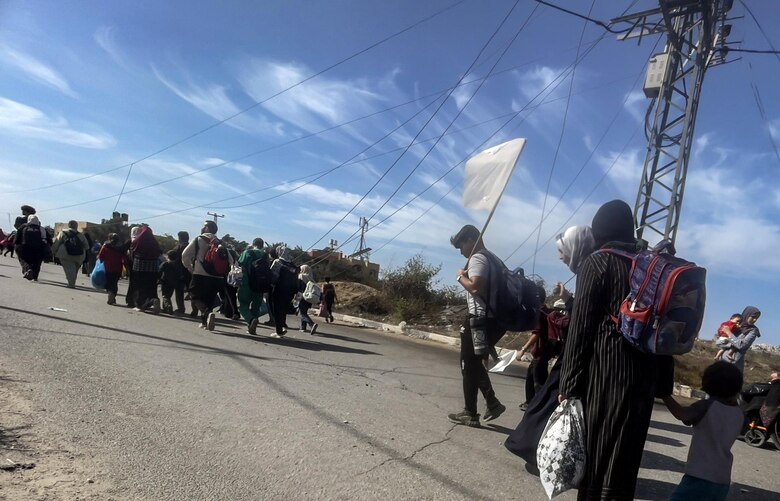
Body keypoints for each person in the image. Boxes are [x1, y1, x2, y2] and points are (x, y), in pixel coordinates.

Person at [558, 200, 674, 500]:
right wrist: (663, 386)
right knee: (627, 458)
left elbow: (581, 328)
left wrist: (568, 384)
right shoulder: (652, 266)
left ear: (600, 232)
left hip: (607, 374)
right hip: (644, 377)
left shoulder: (599, 261)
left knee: (598, 455)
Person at [504, 225, 593, 467]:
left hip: (574, 357)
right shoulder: (589, 270)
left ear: (575, 248)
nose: (560, 257)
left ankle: (537, 451)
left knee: (546, 404)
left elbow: (585, 321)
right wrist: (568, 299)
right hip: (572, 356)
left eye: (562, 251)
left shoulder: (591, 271)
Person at [447, 224, 506, 427]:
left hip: (479, 320)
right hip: (493, 320)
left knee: (468, 363)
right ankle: (471, 411)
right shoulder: (494, 258)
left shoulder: (478, 258)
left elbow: (475, 287)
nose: (461, 251)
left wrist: (460, 276)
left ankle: (489, 403)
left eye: (461, 246)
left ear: (471, 240)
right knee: (472, 364)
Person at [663, 362, 744, 501]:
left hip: (700, 476)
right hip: (722, 480)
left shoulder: (707, 406)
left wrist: (664, 394)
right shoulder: (739, 413)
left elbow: (681, 414)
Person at [182, 221, 233, 331]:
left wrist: (190, 267)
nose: (202, 227)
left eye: (204, 226)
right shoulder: (221, 242)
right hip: (217, 276)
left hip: (200, 274)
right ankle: (205, 322)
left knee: (194, 295)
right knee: (209, 299)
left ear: (207, 228)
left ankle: (207, 313)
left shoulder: (199, 239)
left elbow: (185, 255)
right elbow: (231, 260)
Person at [517, 301, 551, 412]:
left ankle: (543, 406)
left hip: (541, 353)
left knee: (539, 382)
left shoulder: (540, 313)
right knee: (531, 377)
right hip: (541, 353)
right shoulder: (545, 312)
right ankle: (530, 402)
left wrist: (523, 349)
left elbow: (536, 333)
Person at [129, 225, 162, 313]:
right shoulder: (154, 242)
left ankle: (140, 306)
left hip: (139, 268)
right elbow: (159, 253)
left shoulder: (138, 241)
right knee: (151, 287)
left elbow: (133, 251)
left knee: (140, 288)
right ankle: (153, 300)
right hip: (153, 269)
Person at [238, 238, 268, 335]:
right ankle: (252, 327)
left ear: (253, 244)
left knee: (242, 305)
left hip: (246, 283)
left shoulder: (247, 252)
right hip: (260, 284)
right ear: (262, 245)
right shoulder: (265, 255)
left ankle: (251, 320)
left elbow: (240, 264)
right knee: (256, 307)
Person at [720, 306, 761, 372]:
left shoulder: (753, 331)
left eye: (757, 318)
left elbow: (742, 345)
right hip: (721, 360)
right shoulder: (735, 324)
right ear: (747, 315)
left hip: (733, 364)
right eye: (753, 317)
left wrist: (729, 333)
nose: (755, 320)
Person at [269, 245, 297, 338]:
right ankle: (281, 327)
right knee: (283, 310)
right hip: (289, 291)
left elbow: (273, 276)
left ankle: (279, 331)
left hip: (278, 289)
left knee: (276, 310)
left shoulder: (278, 262)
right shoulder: (293, 265)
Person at [51, 220, 89, 288]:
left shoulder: (63, 233)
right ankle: (72, 282)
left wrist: (53, 251)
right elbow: (87, 246)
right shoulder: (80, 235)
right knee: (75, 270)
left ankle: (71, 284)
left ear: (69, 225)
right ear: (76, 226)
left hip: (65, 254)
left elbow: (57, 242)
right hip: (79, 255)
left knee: (69, 269)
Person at [16, 215, 50, 281]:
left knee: (25, 260)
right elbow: (46, 238)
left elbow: (17, 238)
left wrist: (17, 245)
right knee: (37, 262)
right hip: (39, 248)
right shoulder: (41, 228)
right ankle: (35, 277)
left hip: (25, 247)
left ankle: (28, 269)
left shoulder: (23, 226)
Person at [97, 233, 128, 305]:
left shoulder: (106, 246)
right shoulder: (121, 248)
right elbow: (125, 258)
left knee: (109, 282)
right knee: (114, 283)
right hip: (118, 268)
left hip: (108, 267)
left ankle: (110, 293)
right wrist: (126, 267)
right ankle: (113, 294)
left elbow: (101, 256)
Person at [297, 264, 319, 335]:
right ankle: (303, 327)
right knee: (304, 312)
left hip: (302, 296)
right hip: (309, 298)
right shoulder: (311, 278)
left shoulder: (301, 276)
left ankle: (311, 324)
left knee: (301, 313)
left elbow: (299, 287)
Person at [159, 250, 183, 314]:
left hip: (165, 281)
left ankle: (167, 306)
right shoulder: (177, 265)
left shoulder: (165, 264)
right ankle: (165, 308)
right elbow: (180, 274)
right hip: (173, 282)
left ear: (168, 256)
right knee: (169, 295)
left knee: (165, 296)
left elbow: (159, 271)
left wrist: (158, 279)